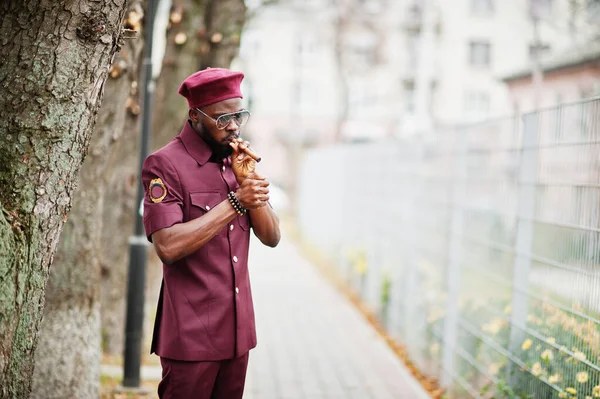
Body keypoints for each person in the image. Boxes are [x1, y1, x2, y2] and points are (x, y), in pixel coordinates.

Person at [141, 67, 281, 399]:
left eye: (238, 116)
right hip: (191, 337)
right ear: (195, 116)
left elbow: (272, 237)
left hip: (237, 334)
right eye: (222, 119)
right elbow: (168, 245)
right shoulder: (164, 165)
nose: (232, 126)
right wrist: (235, 201)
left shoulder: (237, 162)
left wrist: (248, 183)